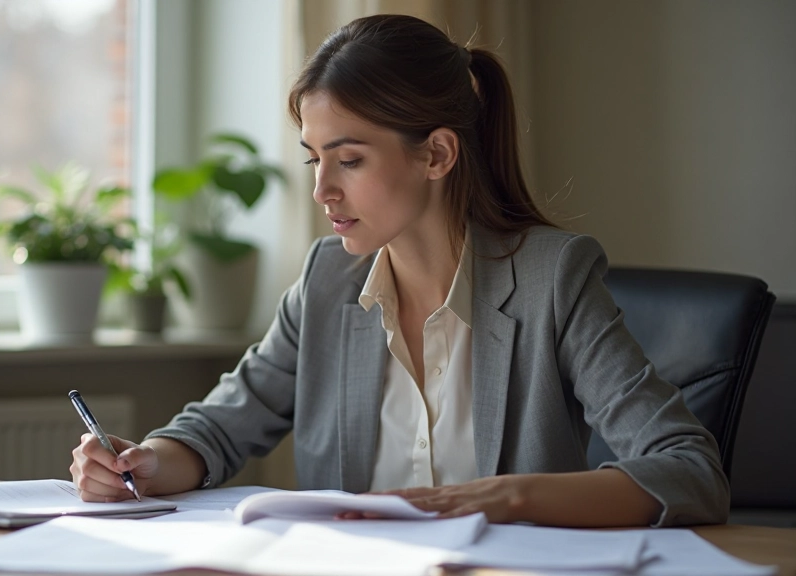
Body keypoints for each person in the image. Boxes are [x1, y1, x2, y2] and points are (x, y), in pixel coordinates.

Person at [71, 14, 728, 527]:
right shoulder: (328, 280)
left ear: (437, 153)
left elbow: (690, 471)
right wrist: (146, 464)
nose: (322, 190)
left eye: (349, 159)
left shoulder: (552, 279)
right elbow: (217, 429)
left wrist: (504, 497)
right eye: (313, 160)